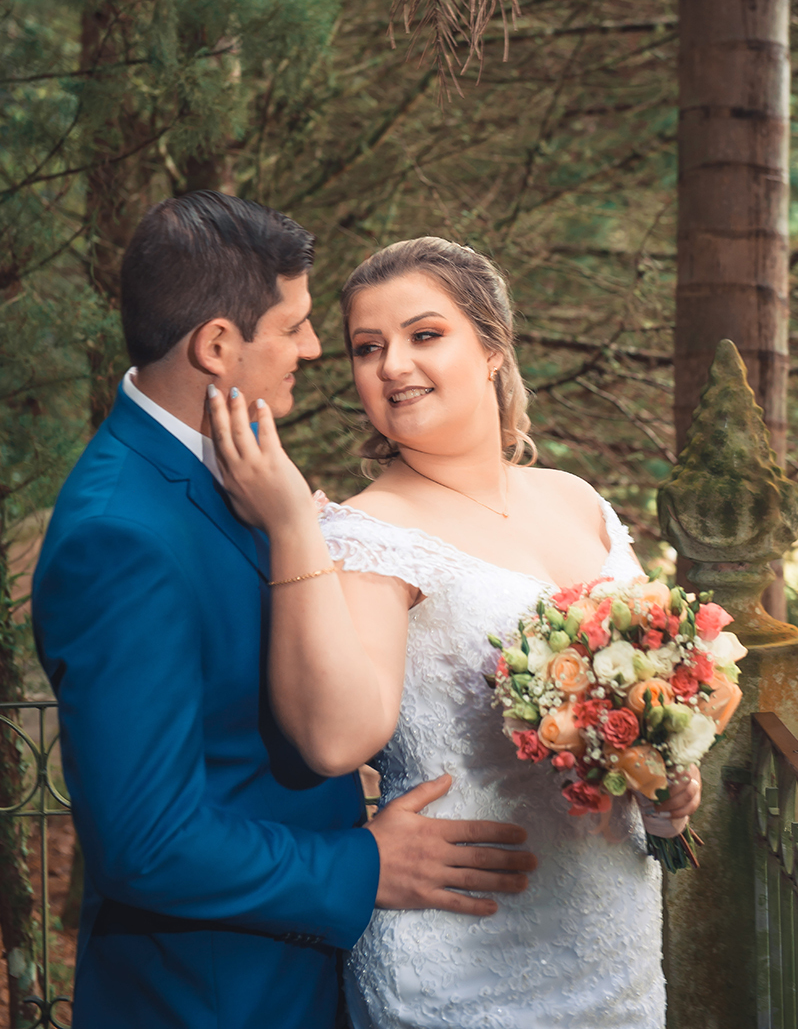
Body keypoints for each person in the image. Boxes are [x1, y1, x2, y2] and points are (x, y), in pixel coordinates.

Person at [31, 199, 536, 1029]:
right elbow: (146, 843)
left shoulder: (228, 468)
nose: (313, 349)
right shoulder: (119, 536)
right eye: (296, 326)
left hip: (301, 979)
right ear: (218, 346)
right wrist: (362, 867)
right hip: (213, 996)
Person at [208, 236, 702, 1029]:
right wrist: (296, 525)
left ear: (492, 348)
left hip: (613, 937)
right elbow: (334, 742)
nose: (392, 364)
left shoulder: (576, 499)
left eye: (423, 335)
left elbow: (637, 701)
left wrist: (664, 786)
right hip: (462, 952)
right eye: (367, 349)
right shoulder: (365, 532)